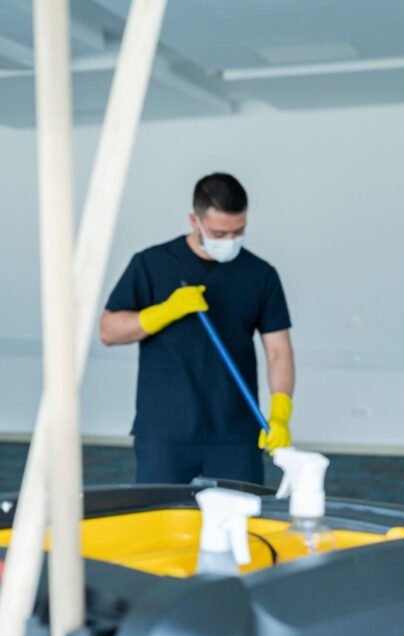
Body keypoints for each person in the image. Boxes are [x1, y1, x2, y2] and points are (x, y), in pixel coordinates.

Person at [100, 173, 295, 485]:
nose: (230, 241)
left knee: (247, 525)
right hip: (165, 432)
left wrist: (281, 411)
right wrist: (164, 312)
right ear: (195, 220)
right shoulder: (152, 264)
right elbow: (108, 331)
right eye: (220, 233)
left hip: (236, 433)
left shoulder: (260, 274)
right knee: (159, 524)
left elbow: (278, 351)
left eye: (238, 231)